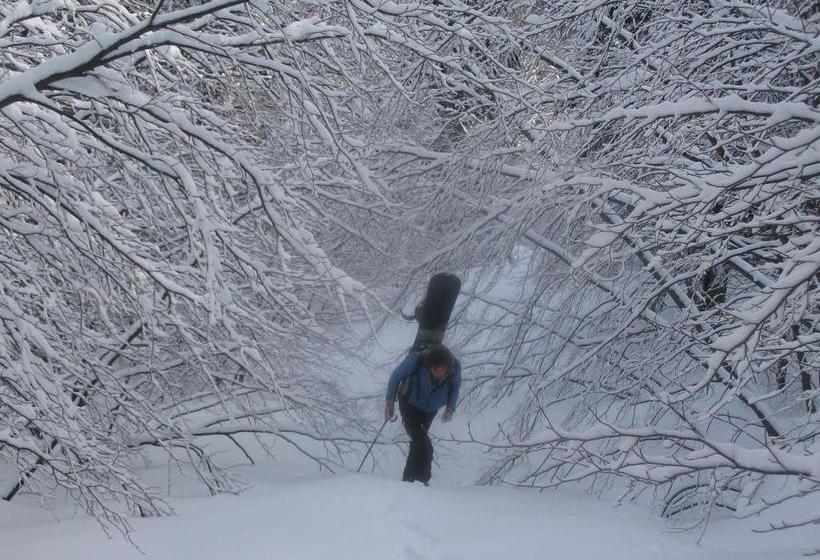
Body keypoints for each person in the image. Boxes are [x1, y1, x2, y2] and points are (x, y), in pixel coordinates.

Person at [384, 344, 461, 485]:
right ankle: (420, 481)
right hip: (410, 404)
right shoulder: (417, 360)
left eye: (442, 370)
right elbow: (396, 376)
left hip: (429, 410)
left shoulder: (454, 368)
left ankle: (410, 482)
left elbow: (455, 388)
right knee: (423, 443)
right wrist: (390, 402)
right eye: (435, 369)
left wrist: (450, 408)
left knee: (418, 442)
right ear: (429, 365)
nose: (439, 373)